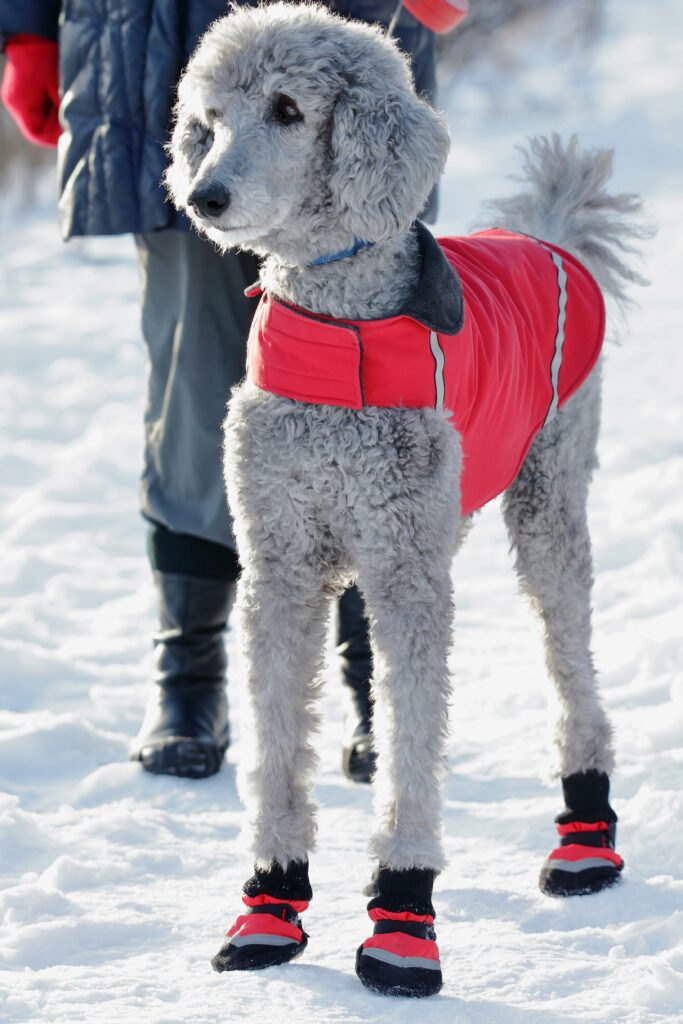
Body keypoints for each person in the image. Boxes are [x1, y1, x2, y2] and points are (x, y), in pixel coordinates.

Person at [0, 0, 438, 782]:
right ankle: (188, 672)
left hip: (351, 39)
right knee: (195, 381)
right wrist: (27, 29)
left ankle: (376, 672)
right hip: (161, 33)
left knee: (367, 379)